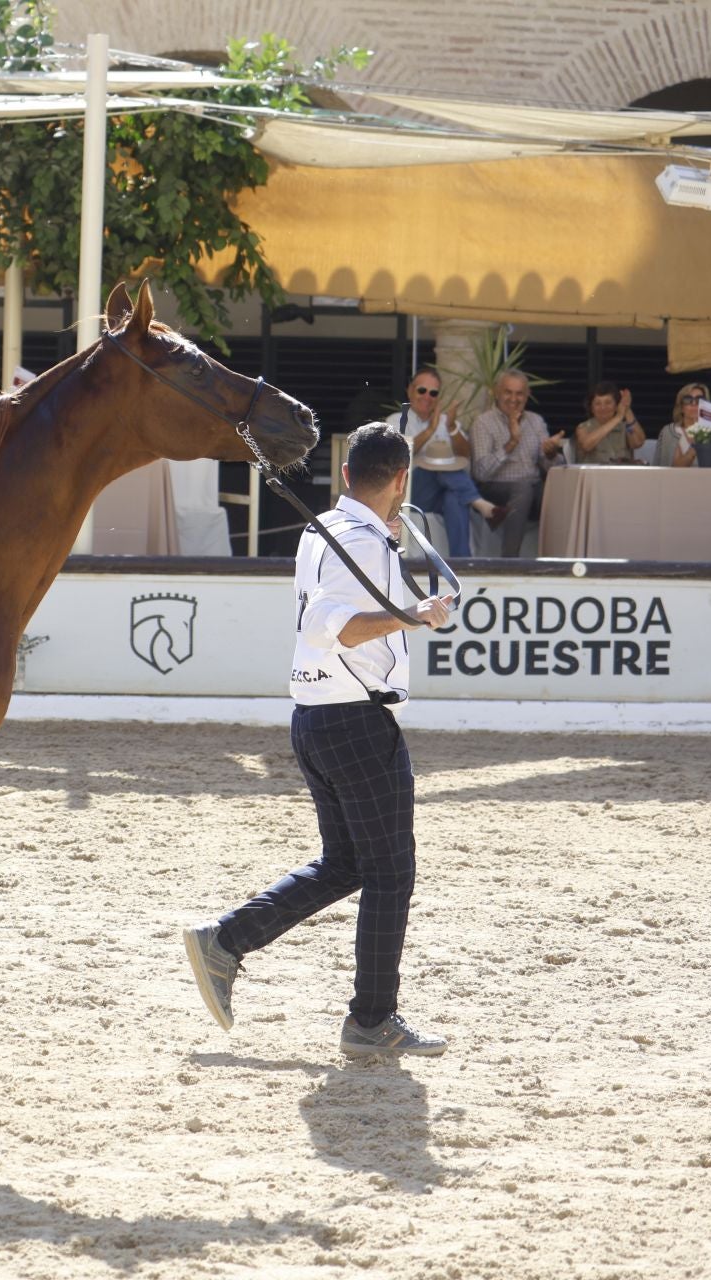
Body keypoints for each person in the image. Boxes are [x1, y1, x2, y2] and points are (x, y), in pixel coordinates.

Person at [183, 422, 453, 1058]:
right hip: (356, 719)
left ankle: (227, 941)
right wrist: (412, 615)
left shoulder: (322, 532)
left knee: (349, 864)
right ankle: (370, 1021)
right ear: (401, 481)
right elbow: (335, 625)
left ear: (346, 476)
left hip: (316, 716)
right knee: (391, 872)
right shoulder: (361, 540)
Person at [382, 366, 502, 557]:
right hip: (410, 492)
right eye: (422, 390)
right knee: (437, 466)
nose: (427, 396)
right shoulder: (397, 420)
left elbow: (465, 455)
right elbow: (400, 456)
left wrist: (452, 428)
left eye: (433, 392)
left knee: (454, 498)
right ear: (410, 390)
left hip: (439, 496)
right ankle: (480, 504)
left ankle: (461, 563)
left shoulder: (446, 420)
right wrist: (431, 430)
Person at [468, 369, 564, 556]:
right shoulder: (483, 422)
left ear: (527, 395)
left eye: (519, 393)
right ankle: (509, 562)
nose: (514, 398)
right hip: (495, 489)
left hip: (532, 487)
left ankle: (561, 561)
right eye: (508, 392)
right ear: (497, 393)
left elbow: (552, 468)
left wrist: (551, 454)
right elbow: (480, 473)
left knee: (559, 492)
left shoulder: (536, 421)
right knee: (522, 488)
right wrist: (510, 444)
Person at [654, 381, 711, 468]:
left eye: (699, 400)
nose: (694, 404)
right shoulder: (670, 431)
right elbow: (672, 469)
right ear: (681, 407)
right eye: (688, 399)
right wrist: (699, 443)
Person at [573, 381, 644, 465]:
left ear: (616, 406)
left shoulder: (625, 427)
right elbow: (586, 445)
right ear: (591, 408)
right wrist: (617, 417)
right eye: (598, 403)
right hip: (594, 476)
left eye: (608, 403)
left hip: (622, 475)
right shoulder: (583, 427)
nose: (603, 408)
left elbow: (638, 443)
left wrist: (626, 408)